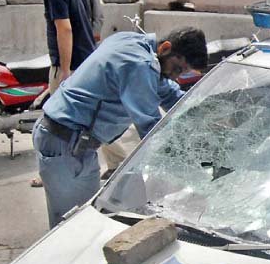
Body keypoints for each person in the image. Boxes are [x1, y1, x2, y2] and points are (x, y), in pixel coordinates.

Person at [32, 28, 208, 228]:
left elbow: (167, 92)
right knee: (74, 227)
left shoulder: (130, 41)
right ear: (166, 48)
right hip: (66, 144)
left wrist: (205, 114)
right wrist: (199, 165)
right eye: (177, 69)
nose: (175, 77)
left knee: (85, 220)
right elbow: (152, 129)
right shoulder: (139, 64)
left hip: (67, 140)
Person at [34, 0, 95, 95]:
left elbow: (65, 29)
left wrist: (65, 71)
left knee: (60, 115)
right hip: (86, 62)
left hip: (71, 66)